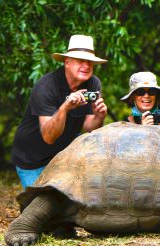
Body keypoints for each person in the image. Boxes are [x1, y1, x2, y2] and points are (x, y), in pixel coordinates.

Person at [11, 35, 108, 190]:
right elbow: (49, 137)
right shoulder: (46, 87)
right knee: (39, 206)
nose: (86, 65)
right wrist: (65, 107)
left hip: (63, 156)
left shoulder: (93, 83)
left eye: (89, 61)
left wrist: (99, 116)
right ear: (67, 63)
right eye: (80, 61)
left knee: (73, 204)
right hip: (32, 157)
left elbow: (89, 128)